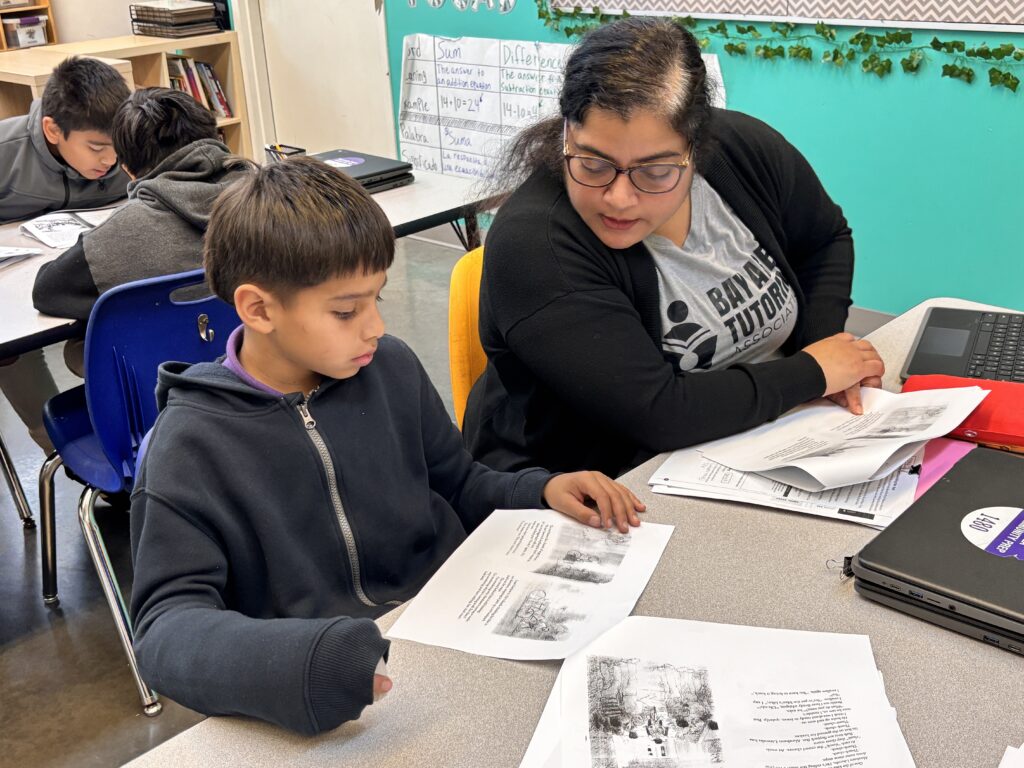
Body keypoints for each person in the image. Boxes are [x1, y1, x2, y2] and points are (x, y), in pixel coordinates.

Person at [128, 157, 645, 736]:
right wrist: (301, 660)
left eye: (376, 298)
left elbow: (460, 481)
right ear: (259, 309)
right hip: (335, 690)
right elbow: (164, 628)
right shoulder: (189, 445)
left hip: (451, 631)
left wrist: (542, 488)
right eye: (346, 310)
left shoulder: (389, 366)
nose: (375, 325)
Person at [463, 17, 884, 477]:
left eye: (656, 171)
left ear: (696, 146)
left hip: (757, 436)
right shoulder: (535, 246)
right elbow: (658, 412)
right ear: (567, 132)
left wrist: (825, 348)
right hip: (603, 479)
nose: (619, 198)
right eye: (593, 162)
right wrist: (811, 373)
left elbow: (823, 239)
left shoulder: (743, 149)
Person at [33, 86, 253, 372]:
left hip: (167, 379)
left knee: (81, 345)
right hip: (263, 366)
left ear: (127, 169)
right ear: (215, 135)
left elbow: (47, 291)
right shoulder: (271, 194)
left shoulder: (117, 237)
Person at [0, 56, 130, 453]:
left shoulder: (134, 143)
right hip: (21, 289)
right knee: (9, 350)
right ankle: (58, 447)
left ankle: (140, 438)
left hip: (105, 277)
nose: (110, 161)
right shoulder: (6, 152)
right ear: (53, 130)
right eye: (97, 148)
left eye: (118, 147)